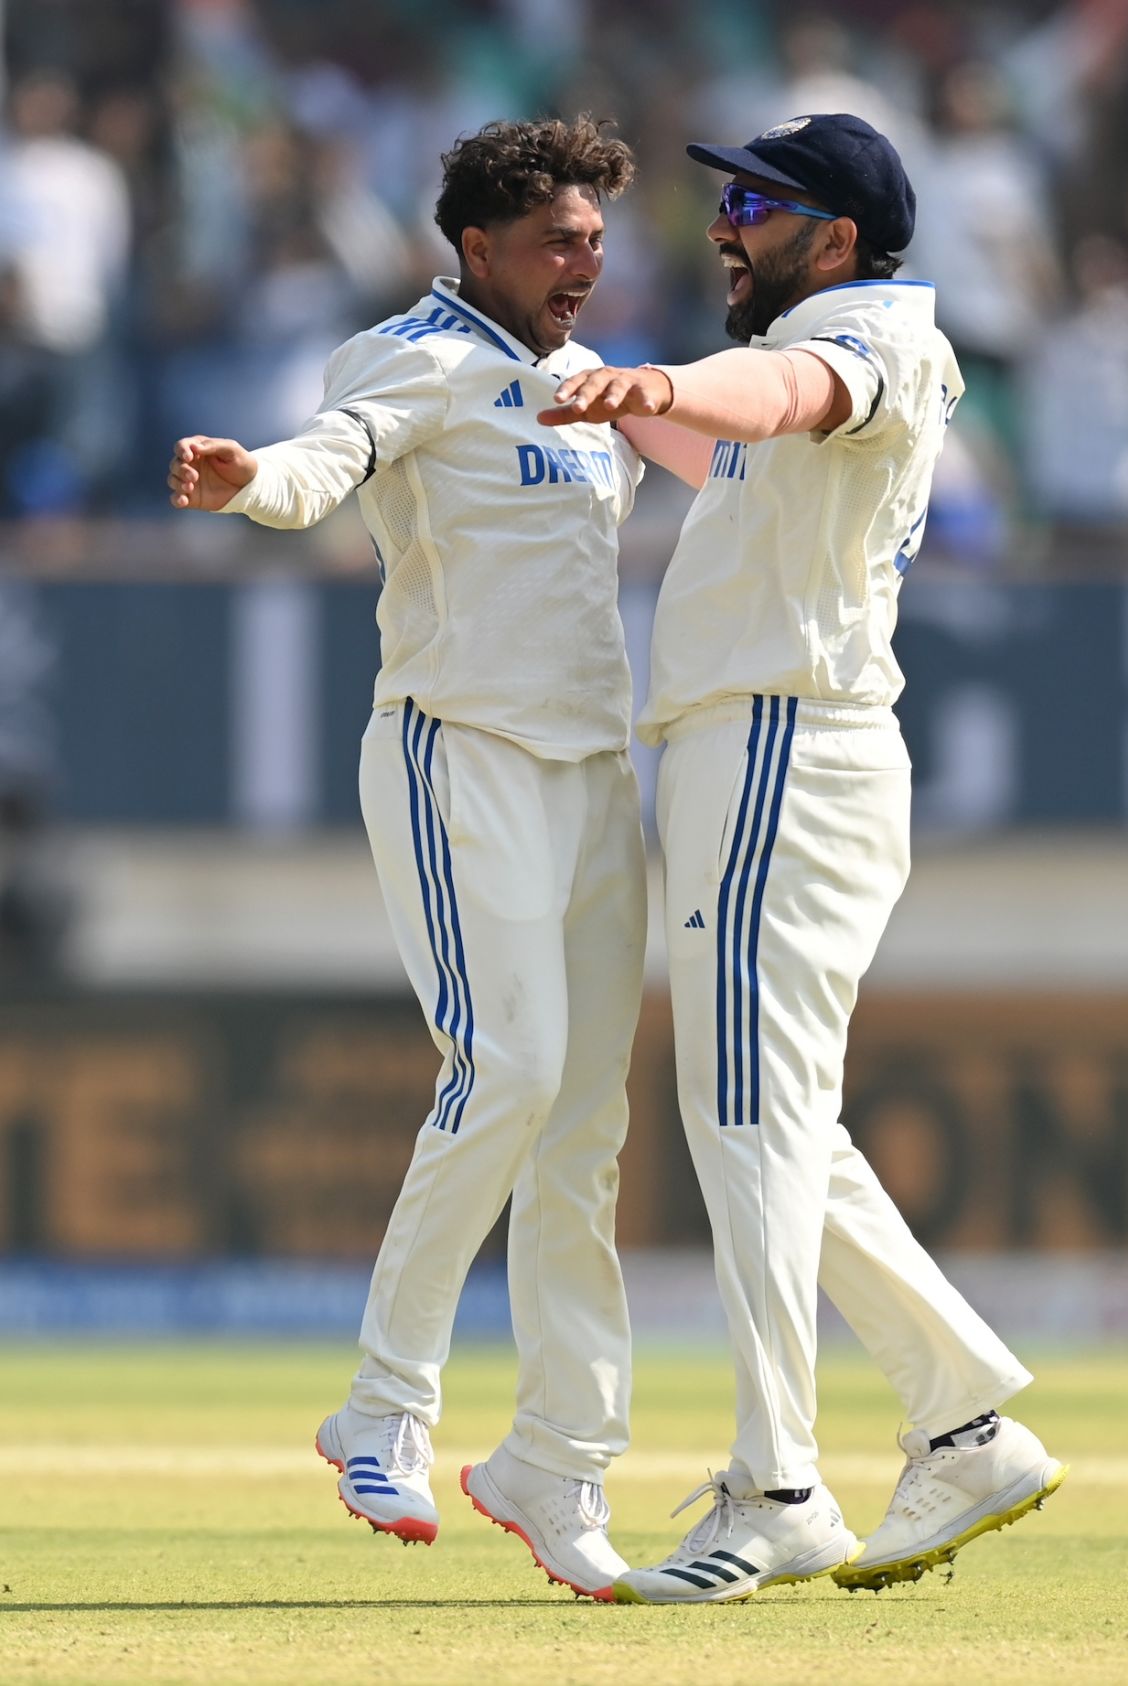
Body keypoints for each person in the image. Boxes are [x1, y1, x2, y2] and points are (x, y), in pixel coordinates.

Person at [540, 112, 1066, 1605]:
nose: (727, 222)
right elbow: (726, 445)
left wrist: (661, 378)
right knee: (770, 1125)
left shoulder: (870, 331)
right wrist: (606, 393)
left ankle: (779, 1482)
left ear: (834, 235)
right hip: (762, 748)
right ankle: (961, 1416)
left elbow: (773, 394)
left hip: (779, 748)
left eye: (756, 203)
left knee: (749, 1125)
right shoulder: (825, 335)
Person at [168, 117, 648, 1602]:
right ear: (481, 243)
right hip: (461, 753)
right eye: (562, 238)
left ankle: (559, 1464)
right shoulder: (408, 357)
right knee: (503, 1069)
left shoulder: (586, 382)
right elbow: (329, 465)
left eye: (596, 237)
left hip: (592, 772)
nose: (589, 260)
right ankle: (381, 1410)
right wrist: (254, 480)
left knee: (580, 1136)